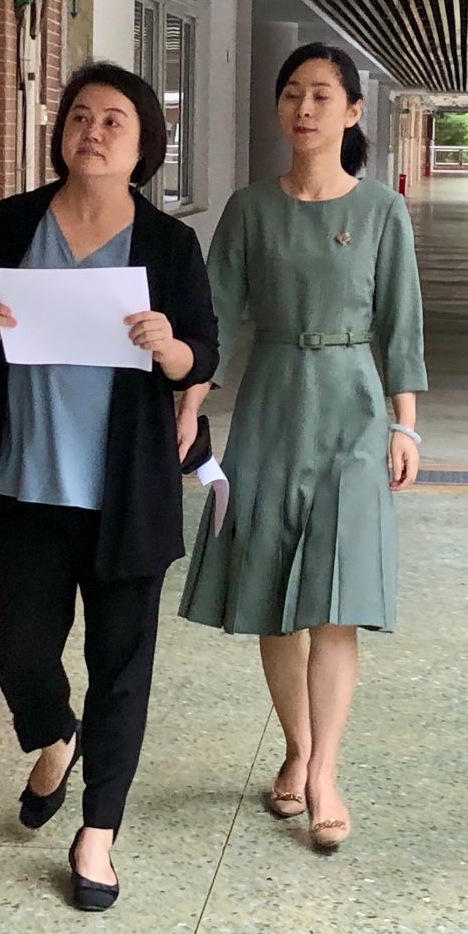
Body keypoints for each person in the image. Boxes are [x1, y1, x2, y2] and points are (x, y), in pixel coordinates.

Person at [0, 64, 218, 911]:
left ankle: (98, 832)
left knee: (120, 665)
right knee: (12, 639)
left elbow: (201, 352)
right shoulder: (15, 222)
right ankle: (56, 732)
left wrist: (168, 347)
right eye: (80, 118)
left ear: (144, 145)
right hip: (25, 481)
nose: (92, 132)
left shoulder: (167, 244)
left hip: (124, 493)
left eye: (113, 121)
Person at [179, 42, 427, 852]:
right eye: (292, 93)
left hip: (354, 404)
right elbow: (214, 317)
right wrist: (190, 406)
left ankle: (324, 770)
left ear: (353, 111)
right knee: (271, 590)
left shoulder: (382, 210)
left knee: (335, 597)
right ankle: (295, 746)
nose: (304, 108)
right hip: (272, 402)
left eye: (322, 94)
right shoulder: (250, 208)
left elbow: (401, 323)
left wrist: (405, 422)